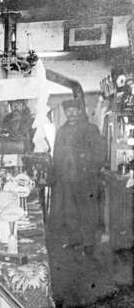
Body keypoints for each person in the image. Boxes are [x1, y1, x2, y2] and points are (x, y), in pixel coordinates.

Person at [49, 98, 106, 256]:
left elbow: (101, 153)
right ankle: (75, 240)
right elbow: (56, 154)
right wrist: (57, 174)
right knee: (70, 211)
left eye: (75, 110)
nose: (71, 113)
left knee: (87, 211)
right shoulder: (61, 131)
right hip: (66, 179)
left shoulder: (90, 129)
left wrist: (91, 169)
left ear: (80, 111)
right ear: (65, 112)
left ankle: (88, 244)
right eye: (68, 111)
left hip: (86, 179)